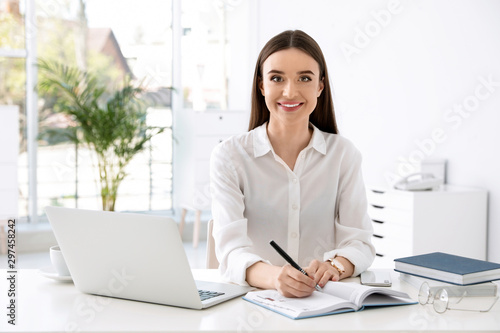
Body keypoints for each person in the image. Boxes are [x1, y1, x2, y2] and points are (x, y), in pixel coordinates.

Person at [210, 30, 375, 298]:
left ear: (320, 86)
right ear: (262, 85)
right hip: (253, 304)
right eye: (277, 78)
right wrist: (276, 278)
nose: (290, 91)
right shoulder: (229, 157)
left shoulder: (344, 155)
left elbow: (359, 242)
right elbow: (231, 252)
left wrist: (335, 267)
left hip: (326, 303)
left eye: (304, 78)